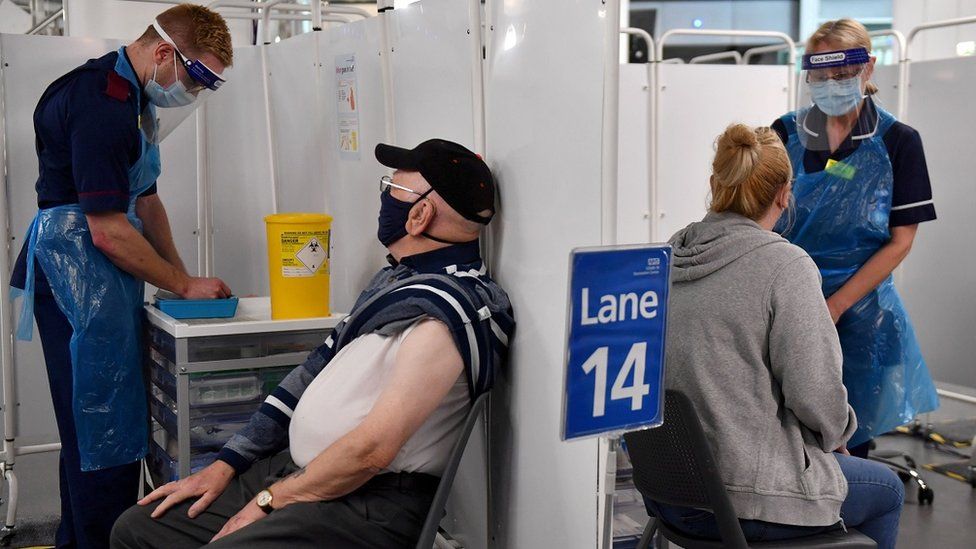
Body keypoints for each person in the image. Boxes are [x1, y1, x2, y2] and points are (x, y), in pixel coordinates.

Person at [110, 139, 515, 548]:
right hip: (299, 473)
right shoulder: (396, 284)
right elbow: (309, 373)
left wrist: (269, 501)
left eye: (392, 187)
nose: (384, 196)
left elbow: (372, 451)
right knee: (138, 529)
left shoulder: (446, 318)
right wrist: (226, 464)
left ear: (420, 214)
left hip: (365, 504)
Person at [7, 5, 233, 548]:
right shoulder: (101, 103)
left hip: (105, 273)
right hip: (76, 272)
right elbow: (107, 229)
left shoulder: (136, 101)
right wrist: (181, 286)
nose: (197, 93)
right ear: (163, 53)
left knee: (104, 429)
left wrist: (181, 276)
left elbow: (146, 201)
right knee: (100, 430)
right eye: (197, 77)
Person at [648, 124, 903, 548]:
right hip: (749, 500)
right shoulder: (786, 267)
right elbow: (816, 395)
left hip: (670, 491)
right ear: (785, 194)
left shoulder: (666, 256)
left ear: (715, 185)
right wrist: (837, 435)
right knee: (888, 491)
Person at [771, 18, 939, 457]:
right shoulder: (786, 133)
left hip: (862, 314)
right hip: (787, 298)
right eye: (821, 77)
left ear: (868, 69)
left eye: (842, 75)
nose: (831, 85)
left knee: (848, 439)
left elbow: (901, 240)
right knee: (783, 434)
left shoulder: (898, 141)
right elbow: (761, 218)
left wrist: (837, 304)